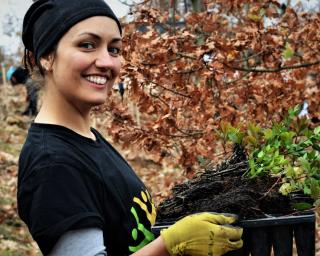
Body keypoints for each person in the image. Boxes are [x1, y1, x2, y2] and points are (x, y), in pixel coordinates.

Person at [17, 0, 243, 255]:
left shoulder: (86, 138)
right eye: (87, 45)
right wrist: (169, 245)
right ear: (46, 57)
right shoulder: (53, 164)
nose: (106, 62)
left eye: (114, 49)